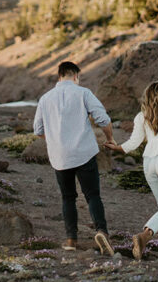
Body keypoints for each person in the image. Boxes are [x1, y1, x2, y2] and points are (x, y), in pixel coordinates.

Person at [105, 81, 158, 262]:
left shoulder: (141, 117)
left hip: (149, 163)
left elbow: (134, 142)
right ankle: (144, 236)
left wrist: (117, 148)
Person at [33, 61, 115, 255]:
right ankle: (102, 231)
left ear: (59, 76)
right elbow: (103, 119)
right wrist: (110, 138)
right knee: (92, 195)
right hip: (83, 152)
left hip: (59, 156)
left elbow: (38, 130)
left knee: (67, 197)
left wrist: (54, 139)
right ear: (76, 76)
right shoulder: (83, 93)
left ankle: (71, 239)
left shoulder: (45, 98)